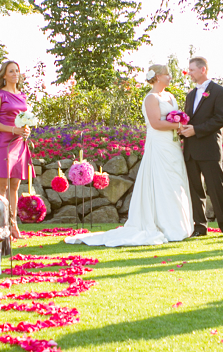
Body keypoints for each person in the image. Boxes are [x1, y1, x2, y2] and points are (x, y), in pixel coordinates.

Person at [68, 64, 193, 247]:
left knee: (175, 181)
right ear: (158, 77)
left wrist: (179, 124)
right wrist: (178, 126)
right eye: (167, 74)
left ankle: (178, 225)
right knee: (161, 181)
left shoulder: (170, 96)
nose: (170, 77)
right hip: (159, 144)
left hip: (173, 145)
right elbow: (156, 123)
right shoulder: (151, 98)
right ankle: (164, 225)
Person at [178, 55, 223, 238]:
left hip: (209, 149)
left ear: (203, 70)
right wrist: (182, 128)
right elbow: (188, 119)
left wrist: (196, 130)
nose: (190, 73)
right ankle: (200, 228)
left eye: (192, 70)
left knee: (217, 189)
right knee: (195, 191)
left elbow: (220, 119)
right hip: (190, 150)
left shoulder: (219, 91)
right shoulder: (191, 95)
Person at [0, 60, 32, 234]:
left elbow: (23, 118)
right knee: (2, 184)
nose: (15, 74)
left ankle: (14, 225)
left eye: (17, 71)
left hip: (19, 142)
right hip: (3, 143)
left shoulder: (22, 95)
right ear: (4, 75)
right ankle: (0, 225)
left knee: (15, 184)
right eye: (11, 71)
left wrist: (25, 130)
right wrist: (13, 129)